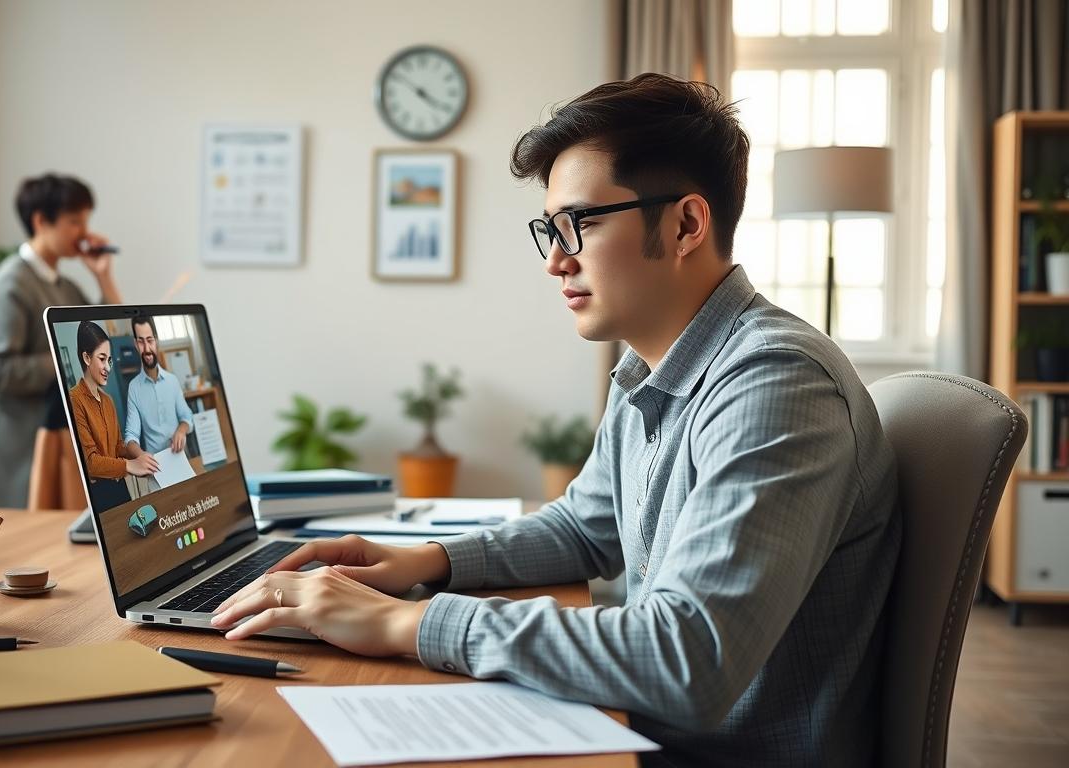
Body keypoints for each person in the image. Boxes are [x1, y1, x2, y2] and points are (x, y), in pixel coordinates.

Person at [210, 74, 900, 766]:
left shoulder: (774, 383)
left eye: (581, 223)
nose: (555, 260)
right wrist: (428, 562)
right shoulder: (655, 369)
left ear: (688, 224)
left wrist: (402, 620)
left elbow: (689, 661)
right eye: (549, 228)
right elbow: (583, 526)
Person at [0, 173, 124, 508]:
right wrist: (69, 365)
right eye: (74, 221)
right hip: (8, 440)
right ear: (40, 221)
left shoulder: (65, 286)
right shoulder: (11, 284)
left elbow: (109, 335)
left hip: (41, 436)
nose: (84, 232)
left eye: (86, 221)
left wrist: (103, 275)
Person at [68, 321, 158, 510]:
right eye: (102, 359)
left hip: (120, 487)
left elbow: (117, 445)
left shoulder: (107, 400)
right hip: (98, 495)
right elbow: (91, 463)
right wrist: (129, 465)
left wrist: (140, 455)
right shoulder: (74, 400)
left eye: (109, 360)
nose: (108, 367)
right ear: (86, 357)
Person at [123, 315, 196, 477]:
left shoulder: (172, 380)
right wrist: (140, 455)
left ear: (156, 341)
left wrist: (181, 431)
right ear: (136, 345)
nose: (147, 348)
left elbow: (187, 416)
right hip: (156, 469)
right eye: (141, 342)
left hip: (180, 459)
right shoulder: (134, 388)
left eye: (150, 340)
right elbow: (130, 436)